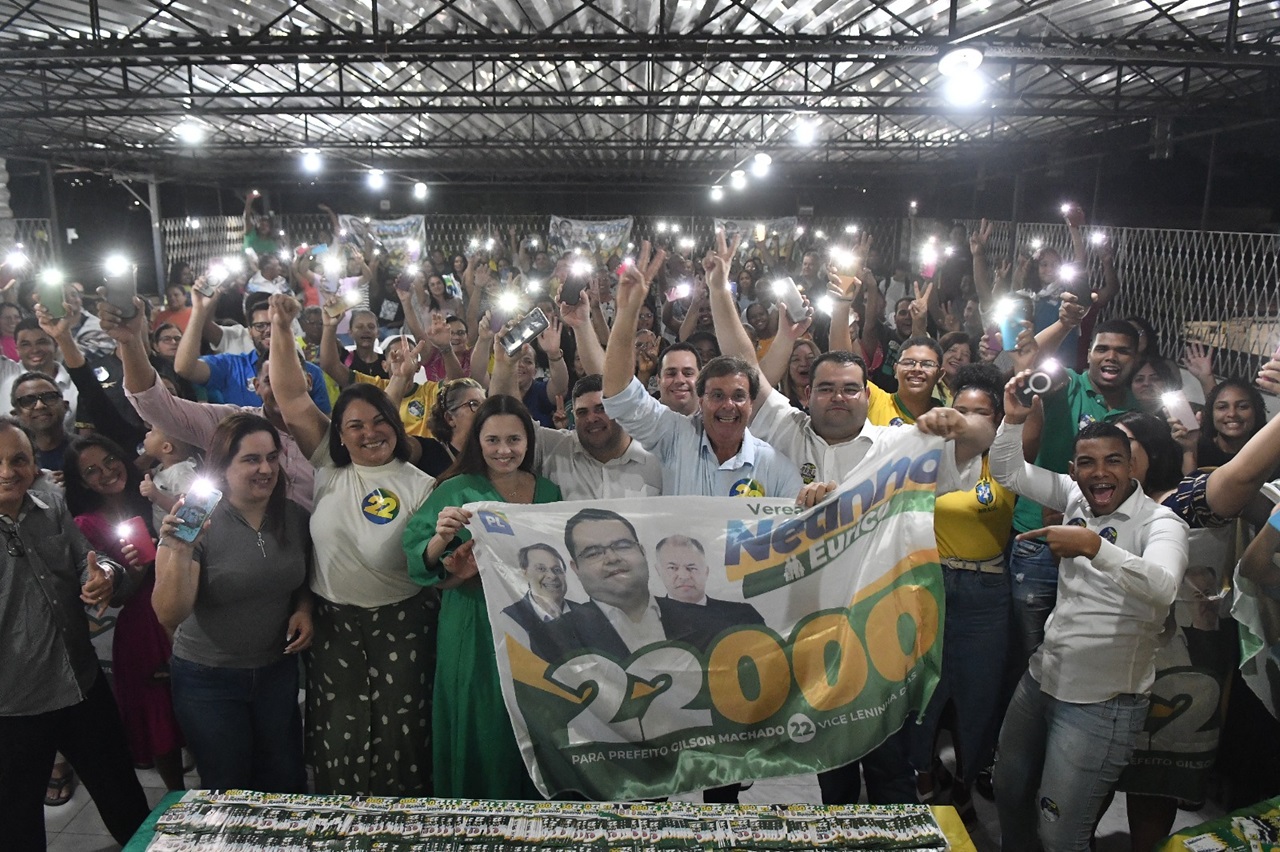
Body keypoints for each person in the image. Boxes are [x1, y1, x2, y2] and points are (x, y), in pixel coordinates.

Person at [990, 376, 1189, 852]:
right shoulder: (1075, 497)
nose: (1100, 473)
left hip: (1102, 701)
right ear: (1073, 470)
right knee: (1008, 789)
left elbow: (1162, 588)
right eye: (1088, 463)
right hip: (1043, 678)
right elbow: (1008, 473)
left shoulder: (1161, 523)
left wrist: (1094, 547)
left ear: (1132, 467)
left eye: (1113, 461)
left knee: (1061, 831)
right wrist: (1014, 420)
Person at [267, 293, 437, 796]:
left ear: (396, 421)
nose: (369, 433)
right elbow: (292, 397)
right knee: (339, 733)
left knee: (402, 733)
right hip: (332, 624)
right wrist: (281, 326)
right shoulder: (328, 465)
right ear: (338, 434)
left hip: (404, 625)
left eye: (379, 421)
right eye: (355, 426)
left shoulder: (420, 484)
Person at [402, 394, 562, 799]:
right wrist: (442, 540)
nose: (504, 450)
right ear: (477, 442)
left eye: (514, 439)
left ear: (529, 441)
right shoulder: (456, 491)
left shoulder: (548, 493)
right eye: (492, 440)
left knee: (530, 720)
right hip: (474, 624)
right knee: (480, 719)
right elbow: (420, 562)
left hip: (534, 629)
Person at [0, 416, 149, 851]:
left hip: (81, 684)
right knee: (17, 821)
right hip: (13, 706)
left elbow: (98, 561)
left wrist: (105, 574)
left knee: (124, 797)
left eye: (19, 459)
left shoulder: (51, 505)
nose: (8, 471)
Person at [151, 413, 312, 792]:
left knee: (286, 778)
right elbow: (169, 613)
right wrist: (179, 550)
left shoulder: (293, 516)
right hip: (209, 679)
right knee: (227, 784)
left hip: (276, 671)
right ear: (223, 466)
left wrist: (303, 608)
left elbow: (302, 577)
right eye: (251, 459)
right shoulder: (194, 521)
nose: (266, 469)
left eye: (272, 457)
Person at [603, 240, 802, 500]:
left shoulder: (777, 469)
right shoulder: (675, 437)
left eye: (739, 396)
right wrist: (627, 313)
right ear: (702, 400)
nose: (728, 405)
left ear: (752, 403)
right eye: (717, 395)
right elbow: (620, 394)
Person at [101, 293, 318, 510]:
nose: (281, 389)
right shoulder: (232, 425)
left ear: (308, 381)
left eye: (290, 379)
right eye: (271, 381)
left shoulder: (328, 433)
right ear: (256, 386)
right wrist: (130, 341)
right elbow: (156, 404)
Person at [63, 433, 187, 792]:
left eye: (109, 460)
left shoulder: (152, 492)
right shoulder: (85, 524)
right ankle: (176, 801)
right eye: (91, 471)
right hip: (144, 627)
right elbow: (115, 599)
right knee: (161, 721)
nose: (105, 472)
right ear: (81, 482)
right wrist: (133, 570)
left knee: (201, 712)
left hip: (188, 610)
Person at [531, 507, 763, 663]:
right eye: (593, 553)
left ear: (642, 552)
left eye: (622, 545)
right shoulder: (554, 639)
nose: (611, 558)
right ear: (575, 569)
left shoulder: (720, 622)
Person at [174, 289, 330, 412]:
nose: (268, 331)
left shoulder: (311, 373)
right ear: (249, 331)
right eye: (260, 326)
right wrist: (198, 310)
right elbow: (184, 368)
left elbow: (323, 431)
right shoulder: (232, 366)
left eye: (274, 324)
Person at [0, 317, 79, 433]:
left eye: (41, 342)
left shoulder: (76, 383)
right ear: (16, 349)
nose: (34, 350)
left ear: (55, 344)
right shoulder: (5, 371)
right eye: (25, 344)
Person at [501, 543, 577, 635]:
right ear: (525, 574)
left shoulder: (589, 613)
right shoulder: (510, 618)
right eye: (541, 569)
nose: (552, 576)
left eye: (557, 570)